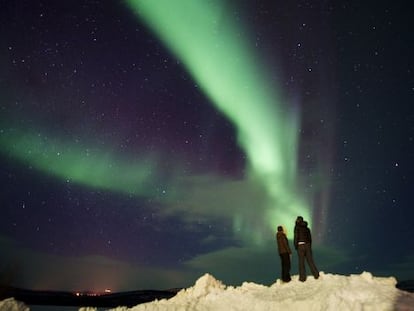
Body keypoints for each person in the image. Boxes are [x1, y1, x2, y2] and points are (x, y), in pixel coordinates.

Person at [293, 217, 319, 282]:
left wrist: (296, 246)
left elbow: (296, 237)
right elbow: (310, 239)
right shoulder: (307, 228)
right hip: (307, 245)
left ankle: (302, 278)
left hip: (300, 245)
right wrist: (309, 246)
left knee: (301, 262)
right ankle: (316, 275)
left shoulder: (297, 227)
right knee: (310, 261)